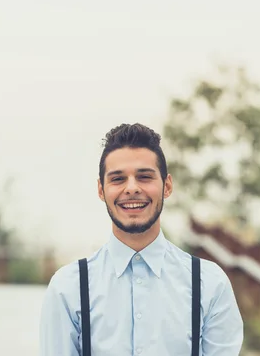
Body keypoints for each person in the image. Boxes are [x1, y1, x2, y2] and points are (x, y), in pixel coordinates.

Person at [39, 123, 243, 355]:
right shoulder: (68, 287)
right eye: (117, 179)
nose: (132, 188)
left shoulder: (210, 283)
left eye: (144, 177)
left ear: (167, 186)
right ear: (101, 190)